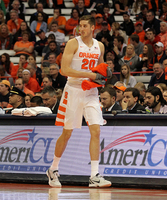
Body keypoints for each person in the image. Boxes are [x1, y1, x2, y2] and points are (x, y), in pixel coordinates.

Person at [47, 15, 112, 188]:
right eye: (79, 25)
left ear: (92, 27)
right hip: (73, 91)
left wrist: (105, 74)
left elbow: (100, 69)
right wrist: (91, 75)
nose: (80, 28)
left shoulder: (100, 46)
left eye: (84, 26)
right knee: (67, 133)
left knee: (96, 131)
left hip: (91, 92)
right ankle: (53, 168)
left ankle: (94, 176)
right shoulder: (73, 43)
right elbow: (65, 69)